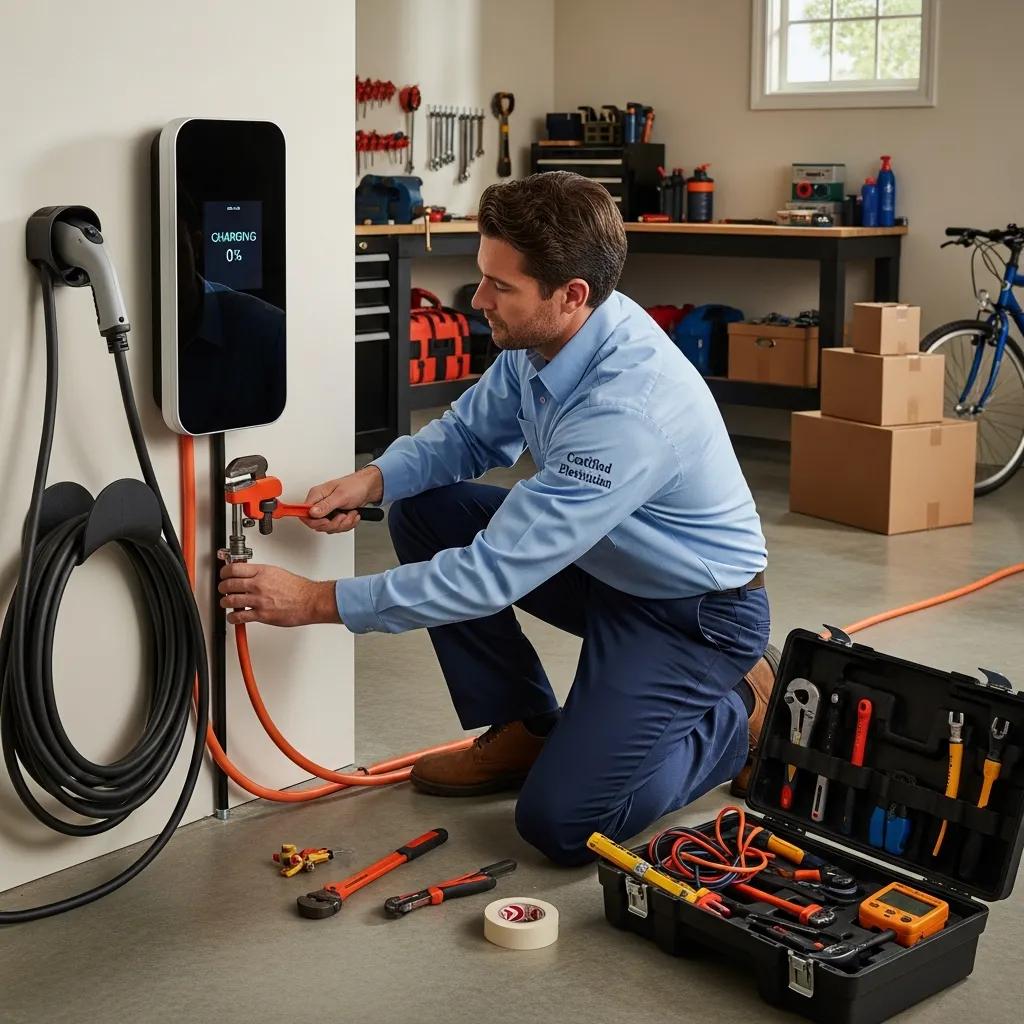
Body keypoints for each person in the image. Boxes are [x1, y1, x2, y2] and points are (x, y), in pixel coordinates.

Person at [218, 171, 777, 866]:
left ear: (571, 295)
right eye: (482, 278)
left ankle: (738, 718)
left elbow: (489, 576)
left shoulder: (629, 410)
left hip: (691, 615)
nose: (477, 300)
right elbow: (467, 438)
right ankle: (527, 726)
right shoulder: (548, 338)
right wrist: (374, 479)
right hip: (607, 566)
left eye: (498, 286)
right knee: (425, 510)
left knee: (565, 824)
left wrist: (317, 601)